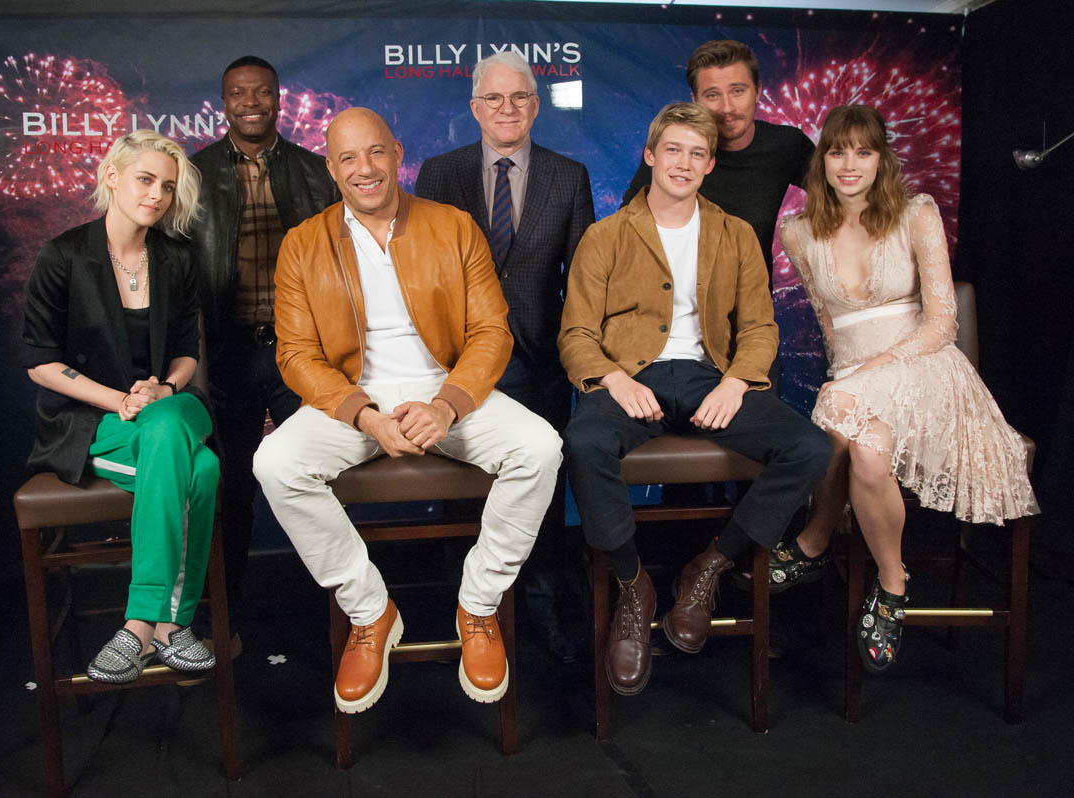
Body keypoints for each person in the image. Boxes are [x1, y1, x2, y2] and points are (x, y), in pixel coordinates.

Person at [253, 108, 562, 713]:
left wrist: (447, 405)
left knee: (541, 448)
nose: (364, 168)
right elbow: (294, 354)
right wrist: (363, 414)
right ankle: (369, 611)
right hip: (353, 397)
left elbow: (491, 332)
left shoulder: (453, 226)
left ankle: (479, 604)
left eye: (375, 152)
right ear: (331, 169)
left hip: (446, 388)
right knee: (275, 463)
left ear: (397, 153)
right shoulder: (303, 244)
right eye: (347, 158)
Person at [559, 103, 831, 696]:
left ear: (710, 165)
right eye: (673, 150)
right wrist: (614, 379)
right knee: (582, 442)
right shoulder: (606, 236)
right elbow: (576, 332)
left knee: (810, 448)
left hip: (712, 377)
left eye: (697, 153)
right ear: (650, 156)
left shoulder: (735, 235)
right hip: (633, 377)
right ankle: (632, 583)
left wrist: (736, 382)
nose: (683, 163)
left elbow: (759, 328)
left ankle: (710, 565)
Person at [777, 104, 1039, 672]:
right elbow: (827, 324)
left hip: (924, 369)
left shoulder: (917, 213)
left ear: (882, 159)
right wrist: (854, 378)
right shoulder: (798, 232)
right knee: (867, 452)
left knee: (834, 404)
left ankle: (814, 540)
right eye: (837, 151)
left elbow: (942, 324)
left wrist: (873, 371)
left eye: (863, 151)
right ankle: (893, 584)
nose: (850, 164)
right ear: (822, 161)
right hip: (855, 383)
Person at [414, 50, 595, 661]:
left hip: (541, 363)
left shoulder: (568, 176)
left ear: (536, 106)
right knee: (465, 493)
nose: (507, 108)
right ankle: (466, 613)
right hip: (456, 365)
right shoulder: (440, 174)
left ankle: (540, 612)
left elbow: (583, 280)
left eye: (519, 97)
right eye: (494, 98)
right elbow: (420, 274)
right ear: (475, 107)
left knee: (540, 490)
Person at [20, 130, 217, 683]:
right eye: (145, 180)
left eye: (167, 187)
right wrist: (120, 401)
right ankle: (171, 624)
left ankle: (136, 623)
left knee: (168, 423)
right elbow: (39, 361)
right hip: (93, 421)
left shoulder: (177, 258)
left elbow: (187, 350)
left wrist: (165, 390)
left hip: (171, 406)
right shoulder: (63, 256)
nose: (157, 195)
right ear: (112, 176)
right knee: (202, 470)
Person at [189, 55, 339, 630]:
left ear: (278, 100)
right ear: (223, 102)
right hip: (225, 352)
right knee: (227, 489)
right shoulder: (192, 174)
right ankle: (222, 618)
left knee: (315, 479)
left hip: (299, 351)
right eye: (238, 93)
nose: (250, 102)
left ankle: (336, 618)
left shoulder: (316, 172)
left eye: (261, 92)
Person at [621, 39, 814, 278]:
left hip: (750, 298)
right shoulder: (673, 151)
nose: (727, 108)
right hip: (672, 295)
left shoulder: (786, 145)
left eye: (738, 91)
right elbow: (625, 225)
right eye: (712, 95)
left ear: (758, 91)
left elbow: (841, 197)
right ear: (695, 99)